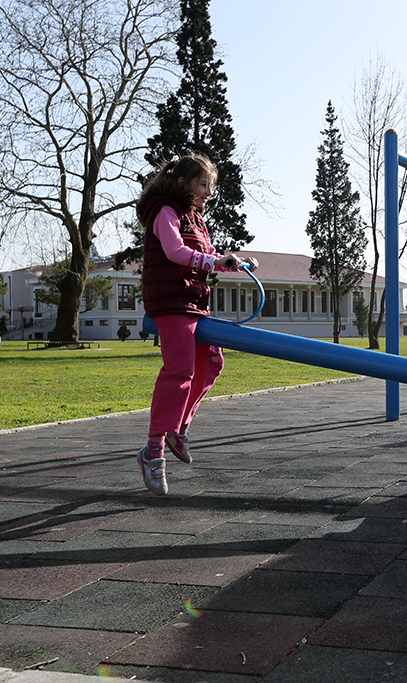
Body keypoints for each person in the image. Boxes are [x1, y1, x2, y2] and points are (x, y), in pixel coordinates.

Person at [135, 155, 256, 496]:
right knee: (179, 372)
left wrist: (233, 262)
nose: (208, 192)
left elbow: (208, 254)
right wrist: (213, 260)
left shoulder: (196, 220)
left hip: (193, 302)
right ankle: (153, 450)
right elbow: (174, 252)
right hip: (171, 301)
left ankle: (179, 427)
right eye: (203, 185)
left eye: (210, 186)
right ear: (183, 183)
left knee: (212, 362)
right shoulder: (165, 212)